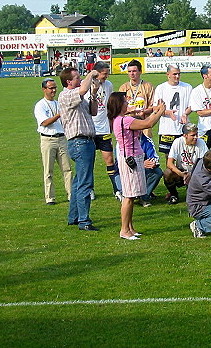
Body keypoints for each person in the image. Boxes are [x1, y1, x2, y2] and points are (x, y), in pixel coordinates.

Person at [107, 92, 165, 240]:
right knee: (129, 196)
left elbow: (141, 117)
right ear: (120, 105)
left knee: (132, 196)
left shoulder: (120, 119)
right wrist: (159, 112)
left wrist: (154, 110)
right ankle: (124, 230)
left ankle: (130, 228)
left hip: (131, 157)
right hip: (130, 160)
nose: (128, 104)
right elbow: (148, 124)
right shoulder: (124, 120)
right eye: (125, 102)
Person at [58, 67, 100, 231]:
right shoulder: (66, 95)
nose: (80, 79)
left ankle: (73, 216)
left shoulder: (78, 97)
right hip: (79, 142)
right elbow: (82, 89)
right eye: (77, 77)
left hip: (86, 141)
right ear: (69, 81)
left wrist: (94, 93)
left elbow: (94, 111)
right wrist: (91, 74)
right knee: (85, 183)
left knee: (78, 182)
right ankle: (84, 221)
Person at [86, 61, 122, 202]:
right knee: (89, 162)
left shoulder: (108, 85)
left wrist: (112, 124)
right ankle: (90, 189)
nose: (106, 76)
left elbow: (110, 106)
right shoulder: (86, 85)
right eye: (104, 73)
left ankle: (116, 190)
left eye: (107, 73)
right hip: (90, 130)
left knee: (109, 160)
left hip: (104, 129)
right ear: (96, 73)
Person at [34, 78, 73, 205]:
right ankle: (50, 197)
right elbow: (44, 122)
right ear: (44, 89)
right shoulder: (40, 105)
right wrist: (59, 115)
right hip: (48, 139)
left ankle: (71, 195)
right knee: (48, 170)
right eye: (51, 88)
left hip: (61, 138)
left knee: (67, 169)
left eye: (55, 87)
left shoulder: (58, 103)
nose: (54, 90)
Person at [164, 123, 208, 204]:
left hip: (196, 172)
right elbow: (169, 163)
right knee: (167, 173)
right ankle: (174, 195)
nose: (196, 137)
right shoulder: (178, 142)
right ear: (185, 135)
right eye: (193, 135)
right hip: (181, 172)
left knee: (192, 199)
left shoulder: (201, 142)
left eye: (197, 134)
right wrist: (182, 174)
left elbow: (204, 163)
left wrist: (192, 174)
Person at [153, 64, 192, 155]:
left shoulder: (187, 87)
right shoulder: (161, 88)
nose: (177, 76)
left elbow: (191, 105)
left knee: (184, 155)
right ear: (168, 75)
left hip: (183, 128)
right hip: (167, 129)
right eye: (174, 74)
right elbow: (155, 108)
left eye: (179, 74)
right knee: (169, 158)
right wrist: (167, 112)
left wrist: (185, 114)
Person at [119, 59, 155, 136]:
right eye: (129, 71)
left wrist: (144, 112)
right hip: (128, 123)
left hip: (144, 123)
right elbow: (119, 110)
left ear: (140, 71)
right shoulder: (123, 88)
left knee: (144, 146)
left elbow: (153, 106)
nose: (132, 74)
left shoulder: (148, 86)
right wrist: (129, 111)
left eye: (134, 71)